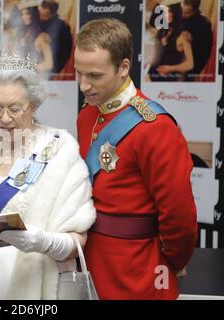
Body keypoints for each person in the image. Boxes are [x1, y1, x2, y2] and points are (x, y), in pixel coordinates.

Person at [0, 52, 96, 299]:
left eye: (15, 108)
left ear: (33, 105)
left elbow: (78, 240)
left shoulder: (59, 151)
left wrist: (42, 242)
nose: (4, 118)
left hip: (34, 283)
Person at [75, 18, 197, 299]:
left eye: (94, 75)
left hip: (137, 270)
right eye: (79, 73)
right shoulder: (88, 115)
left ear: (124, 68)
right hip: (88, 263)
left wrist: (171, 262)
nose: (83, 85)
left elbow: (179, 216)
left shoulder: (155, 128)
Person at [148, 3, 194, 81]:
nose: (168, 14)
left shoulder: (183, 36)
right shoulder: (162, 31)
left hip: (168, 79)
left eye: (169, 11)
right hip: (152, 74)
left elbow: (190, 64)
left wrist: (169, 69)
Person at [16, 1, 53, 78]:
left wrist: (28, 67)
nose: (24, 17)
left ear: (33, 14)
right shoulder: (24, 32)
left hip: (36, 80)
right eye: (22, 14)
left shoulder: (41, 37)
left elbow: (49, 64)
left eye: (27, 13)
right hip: (22, 79)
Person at [38, 0, 73, 77]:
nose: (41, 18)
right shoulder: (41, 21)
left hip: (51, 68)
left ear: (54, 13)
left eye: (45, 16)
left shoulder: (62, 28)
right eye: (40, 15)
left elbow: (64, 54)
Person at [180, 0, 213, 81]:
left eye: (187, 13)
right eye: (182, 11)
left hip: (194, 63)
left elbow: (204, 52)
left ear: (195, 10)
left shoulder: (203, 24)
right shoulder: (185, 16)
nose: (183, 15)